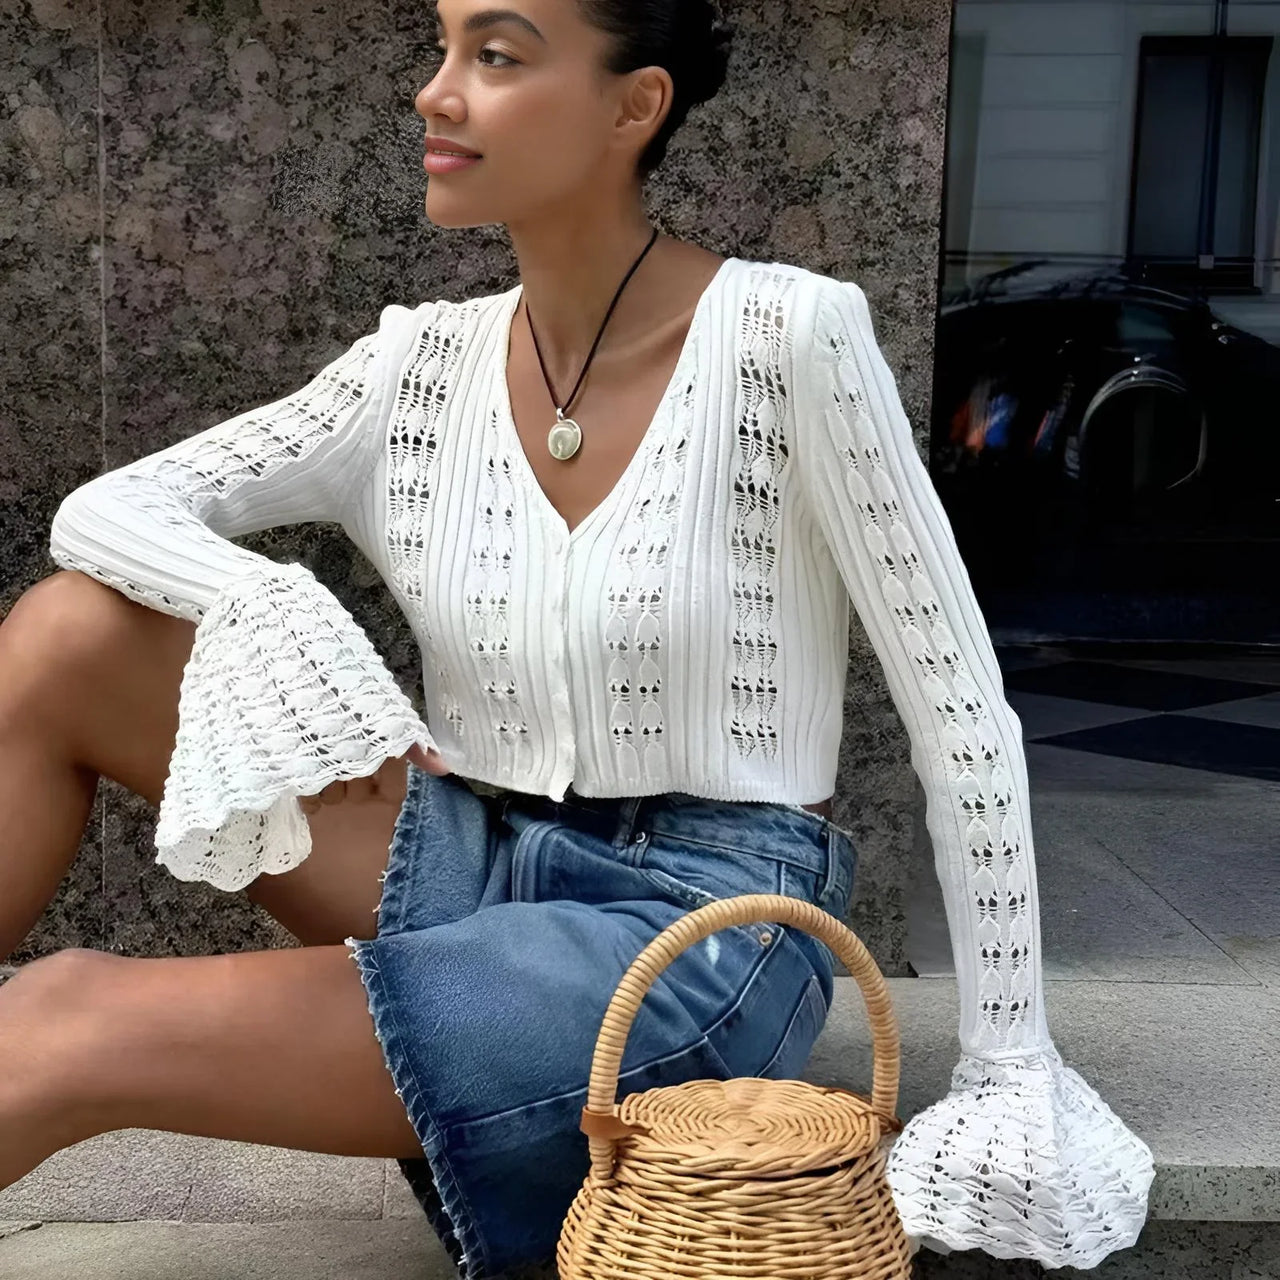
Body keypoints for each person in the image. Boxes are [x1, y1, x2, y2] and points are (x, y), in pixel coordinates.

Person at [0, 0, 1153, 1275]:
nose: (435, 92)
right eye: (444, 48)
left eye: (495, 56)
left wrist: (1007, 1061)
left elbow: (960, 713)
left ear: (631, 105)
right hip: (476, 848)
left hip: (701, 922)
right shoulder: (415, 366)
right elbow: (106, 511)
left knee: (64, 1018)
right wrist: (258, 599)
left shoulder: (787, 337)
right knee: (69, 635)